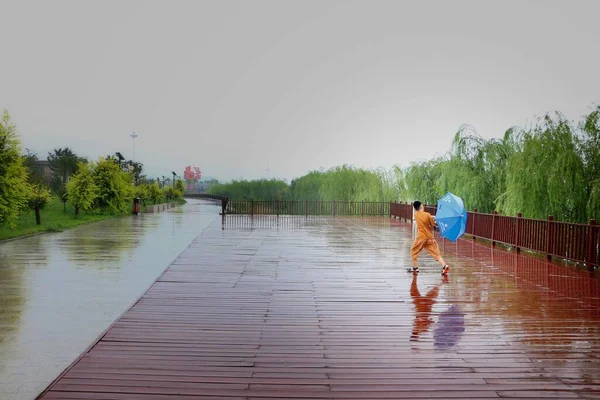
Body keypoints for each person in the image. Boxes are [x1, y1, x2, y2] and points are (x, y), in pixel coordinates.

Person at [411, 201, 450, 275]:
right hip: (430, 238)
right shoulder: (428, 215)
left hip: (421, 238)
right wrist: (435, 220)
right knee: (436, 254)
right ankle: (444, 266)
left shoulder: (415, 215)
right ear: (421, 206)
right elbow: (433, 224)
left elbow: (423, 217)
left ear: (415, 208)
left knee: (413, 251)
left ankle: (415, 268)